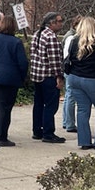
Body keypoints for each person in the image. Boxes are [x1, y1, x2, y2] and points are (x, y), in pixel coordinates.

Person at [65, 16, 95, 151]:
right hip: (93, 80)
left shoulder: (74, 41)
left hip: (75, 78)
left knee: (82, 110)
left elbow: (69, 59)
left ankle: (84, 141)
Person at [0, 13, 29, 146]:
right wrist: (22, 77)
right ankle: (2, 136)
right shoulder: (16, 42)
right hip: (9, 78)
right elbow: (22, 63)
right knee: (5, 107)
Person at [29, 12, 65, 143]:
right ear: (51, 23)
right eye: (59, 21)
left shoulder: (37, 34)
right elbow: (55, 61)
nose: (61, 23)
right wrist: (59, 77)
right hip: (49, 76)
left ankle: (37, 130)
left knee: (38, 104)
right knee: (51, 105)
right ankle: (48, 133)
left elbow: (33, 55)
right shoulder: (51, 37)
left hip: (37, 75)